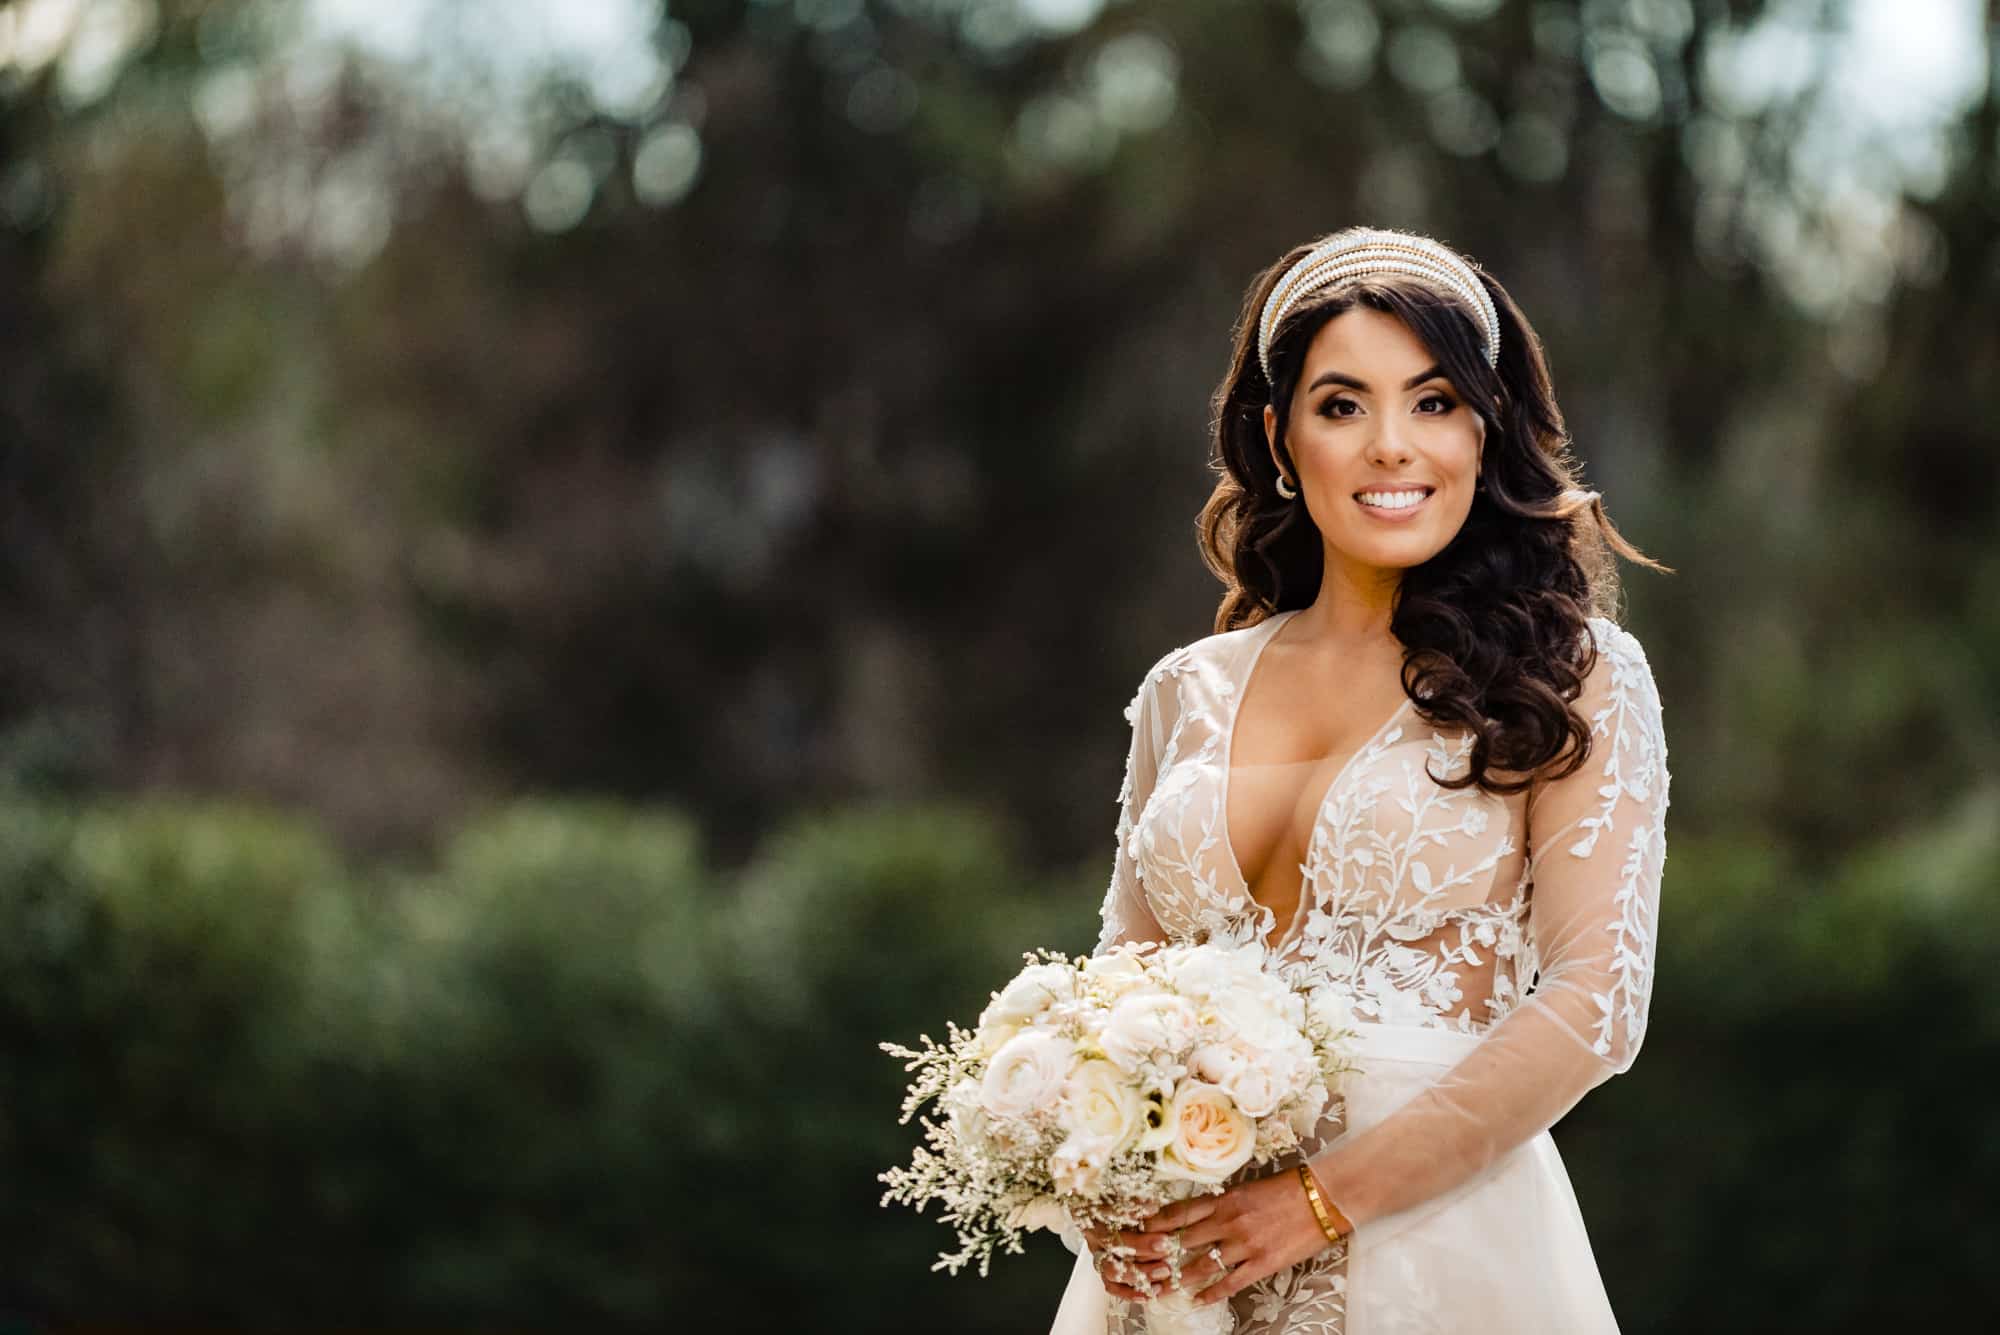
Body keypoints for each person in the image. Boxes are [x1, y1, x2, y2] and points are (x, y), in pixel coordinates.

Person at [1047, 226, 1672, 1334]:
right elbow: (1119, 988)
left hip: (1440, 1248)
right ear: (1280, 440)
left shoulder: (1571, 674)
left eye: (1433, 402)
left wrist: (1320, 1203)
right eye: (1341, 406)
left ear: (1485, 431)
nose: (1392, 445)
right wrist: (1085, 1167)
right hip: (1183, 1269)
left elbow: (1594, 1004)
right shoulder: (1182, 691)